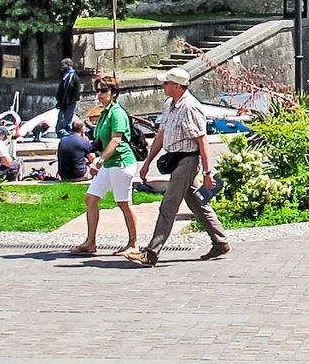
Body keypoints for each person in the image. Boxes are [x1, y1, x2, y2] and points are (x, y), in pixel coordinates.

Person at [137, 67, 229, 266]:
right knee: (198, 202)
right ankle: (220, 241)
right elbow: (161, 135)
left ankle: (151, 253)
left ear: (177, 86)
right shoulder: (169, 104)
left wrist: (207, 172)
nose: (163, 86)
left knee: (168, 205)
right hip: (175, 159)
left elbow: (202, 140)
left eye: (166, 83)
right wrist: (147, 163)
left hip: (188, 161)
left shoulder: (191, 107)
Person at [75, 76, 143, 258]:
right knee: (90, 198)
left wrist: (99, 160)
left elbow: (116, 139)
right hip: (109, 163)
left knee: (124, 203)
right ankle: (90, 242)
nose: (100, 94)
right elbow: (101, 139)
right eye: (98, 90)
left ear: (114, 94)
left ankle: (133, 243)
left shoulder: (117, 113)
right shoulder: (104, 112)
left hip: (121, 162)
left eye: (104, 91)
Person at [55, 116, 95, 182]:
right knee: (95, 162)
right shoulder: (83, 141)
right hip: (78, 176)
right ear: (82, 130)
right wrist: (86, 141)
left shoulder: (63, 140)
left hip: (63, 176)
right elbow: (92, 158)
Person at [55, 57, 82, 136]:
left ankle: (68, 137)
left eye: (63, 65)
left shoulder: (74, 77)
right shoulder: (65, 76)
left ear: (69, 65)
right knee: (63, 124)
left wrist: (70, 101)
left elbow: (76, 91)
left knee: (62, 126)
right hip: (64, 104)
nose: (62, 68)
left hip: (69, 103)